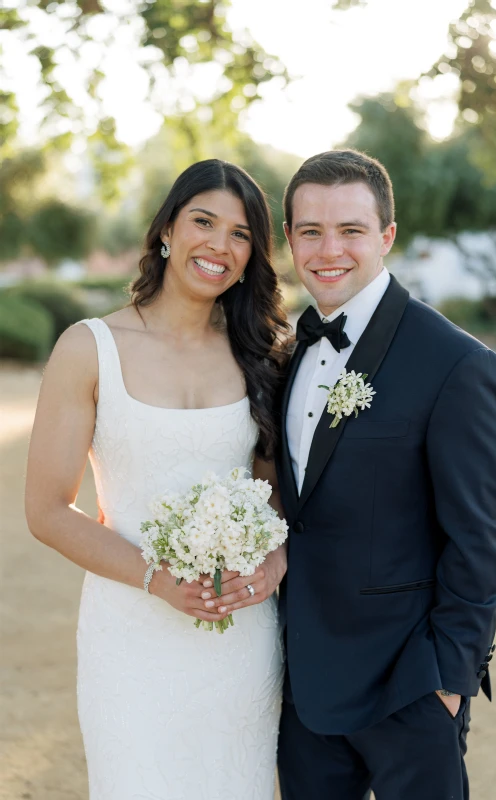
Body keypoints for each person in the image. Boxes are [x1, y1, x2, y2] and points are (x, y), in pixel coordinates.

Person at [25, 159, 290, 800]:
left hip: (240, 636)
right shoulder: (89, 348)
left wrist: (275, 562)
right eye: (204, 221)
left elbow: (276, 495)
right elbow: (48, 511)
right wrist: (157, 577)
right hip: (132, 635)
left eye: (240, 234)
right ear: (168, 228)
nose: (219, 246)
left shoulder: (262, 352)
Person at [274, 149, 496, 799]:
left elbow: (481, 538)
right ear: (290, 239)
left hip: (407, 688)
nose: (329, 250)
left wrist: (446, 680)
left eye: (350, 230)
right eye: (310, 231)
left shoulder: (456, 365)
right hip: (303, 690)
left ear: (386, 236)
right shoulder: (285, 353)